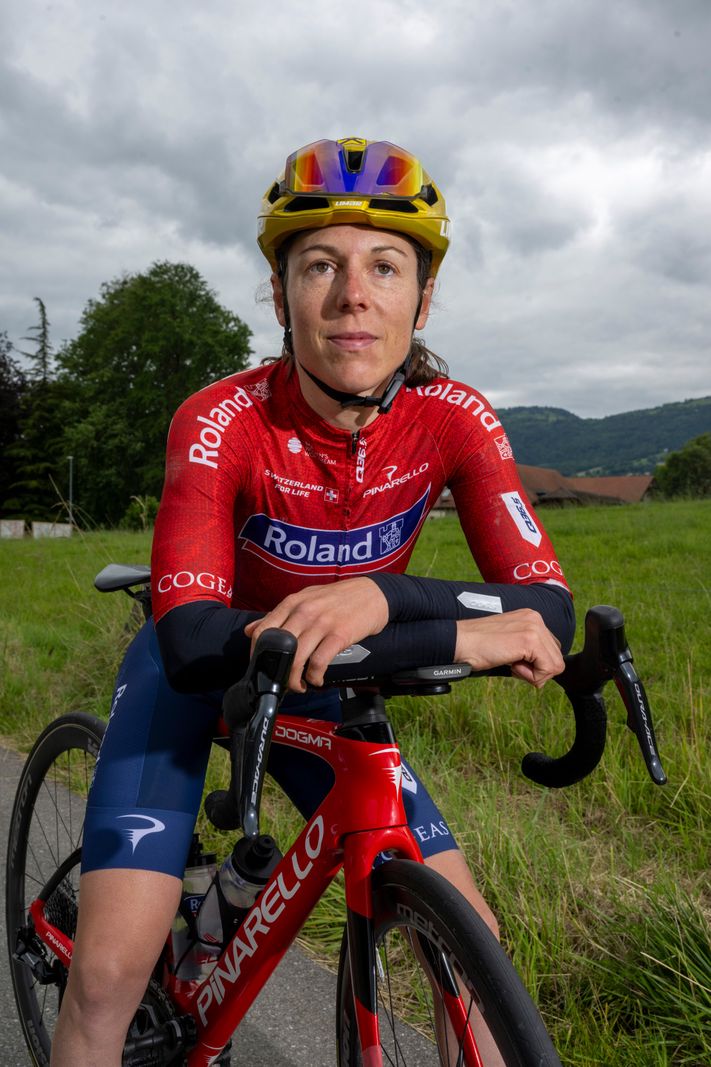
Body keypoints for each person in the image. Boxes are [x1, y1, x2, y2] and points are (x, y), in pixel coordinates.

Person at [52, 137, 574, 1066]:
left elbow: (543, 607)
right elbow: (186, 632)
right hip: (195, 680)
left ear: (423, 294)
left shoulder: (455, 417)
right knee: (104, 980)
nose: (351, 295)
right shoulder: (221, 418)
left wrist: (380, 594)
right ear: (281, 290)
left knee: (476, 950)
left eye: (385, 266)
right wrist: (461, 629)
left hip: (324, 686)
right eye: (318, 265)